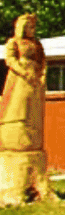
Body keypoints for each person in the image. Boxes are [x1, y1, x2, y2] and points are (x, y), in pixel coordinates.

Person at [0, 13, 46, 152]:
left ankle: (33, 134)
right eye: (30, 27)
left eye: (34, 27)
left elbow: (42, 61)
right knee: (20, 104)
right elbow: (10, 60)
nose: (32, 30)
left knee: (34, 107)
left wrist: (42, 75)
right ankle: (16, 132)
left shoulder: (37, 44)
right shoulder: (13, 42)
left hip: (35, 78)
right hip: (20, 78)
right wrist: (24, 72)